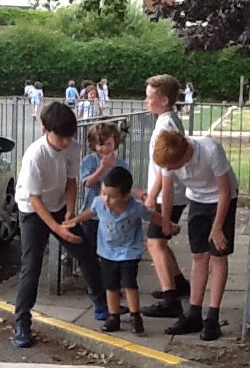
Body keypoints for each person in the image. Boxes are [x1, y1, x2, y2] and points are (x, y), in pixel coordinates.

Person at [11, 101, 109, 348]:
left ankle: (100, 302)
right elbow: (34, 198)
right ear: (45, 130)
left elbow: (71, 182)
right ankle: (22, 322)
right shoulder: (35, 155)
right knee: (31, 265)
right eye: (60, 137)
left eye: (69, 136)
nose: (65, 142)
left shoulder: (72, 147)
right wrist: (57, 229)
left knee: (86, 252)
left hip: (58, 207)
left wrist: (69, 212)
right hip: (33, 211)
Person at [64, 166, 177, 336]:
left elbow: (152, 216)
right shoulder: (99, 203)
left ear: (126, 196)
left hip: (129, 251)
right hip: (107, 251)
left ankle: (135, 315)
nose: (106, 199)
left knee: (129, 283)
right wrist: (75, 220)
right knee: (110, 285)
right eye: (103, 193)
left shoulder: (135, 207)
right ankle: (113, 316)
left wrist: (167, 224)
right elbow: (90, 212)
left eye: (111, 196)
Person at [154, 129, 239, 341]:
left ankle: (212, 316)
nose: (171, 170)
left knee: (218, 255)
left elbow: (225, 192)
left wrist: (218, 227)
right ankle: (194, 314)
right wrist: (166, 221)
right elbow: (167, 191)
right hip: (198, 200)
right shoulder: (168, 158)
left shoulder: (211, 150)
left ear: (184, 157)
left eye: (174, 167)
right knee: (199, 256)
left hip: (221, 201)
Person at [141, 74, 191, 319]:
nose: (146, 101)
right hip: (169, 194)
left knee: (155, 242)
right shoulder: (167, 120)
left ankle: (170, 297)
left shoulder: (166, 125)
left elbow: (165, 169)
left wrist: (152, 197)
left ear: (164, 99)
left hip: (168, 195)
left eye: (150, 97)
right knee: (159, 240)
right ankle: (178, 283)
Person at [79, 122, 128, 253]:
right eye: (101, 144)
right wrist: (102, 168)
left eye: (109, 144)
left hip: (113, 215)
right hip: (92, 214)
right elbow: (87, 183)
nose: (105, 148)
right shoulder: (88, 161)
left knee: (110, 249)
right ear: (94, 145)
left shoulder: (121, 164)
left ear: (115, 143)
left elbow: (126, 187)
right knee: (90, 249)